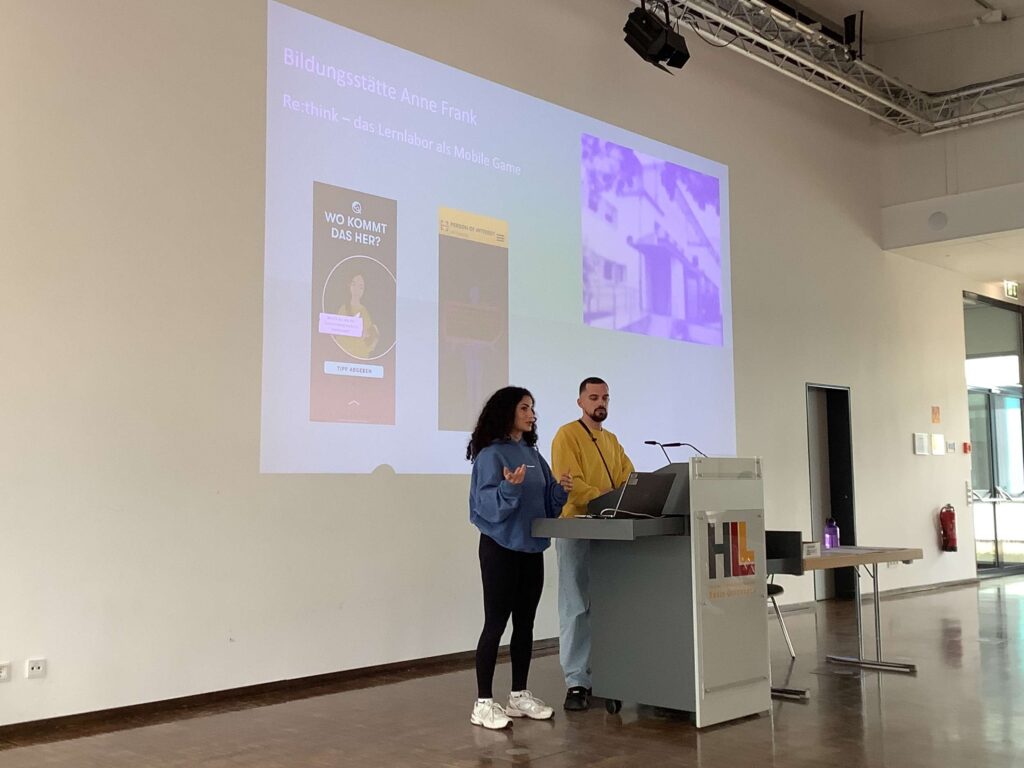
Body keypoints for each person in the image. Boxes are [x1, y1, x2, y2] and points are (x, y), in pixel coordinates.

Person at [467, 386, 573, 730]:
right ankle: (483, 703)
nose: (532, 414)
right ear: (507, 412)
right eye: (525, 408)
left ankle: (518, 695)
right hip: (500, 549)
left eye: (532, 408)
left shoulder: (531, 454)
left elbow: (545, 503)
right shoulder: (490, 456)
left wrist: (560, 491)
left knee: (525, 624)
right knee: (495, 624)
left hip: (531, 549)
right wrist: (509, 488)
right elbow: (484, 506)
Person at [550, 377, 634, 711]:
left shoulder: (612, 440)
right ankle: (576, 682)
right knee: (575, 607)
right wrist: (604, 496)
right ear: (580, 402)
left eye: (605, 398)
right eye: (594, 397)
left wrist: (620, 495)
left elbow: (628, 478)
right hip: (577, 529)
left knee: (606, 605)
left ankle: (606, 674)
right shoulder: (566, 435)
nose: (601, 403)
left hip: (610, 532)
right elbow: (572, 485)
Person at [336, 273, 379, 358]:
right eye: (354, 285)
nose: (356, 290)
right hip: (345, 356)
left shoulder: (365, 312)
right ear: (349, 286)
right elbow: (338, 336)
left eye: (360, 287)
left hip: (361, 356)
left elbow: (371, 338)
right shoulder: (343, 309)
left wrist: (370, 335)